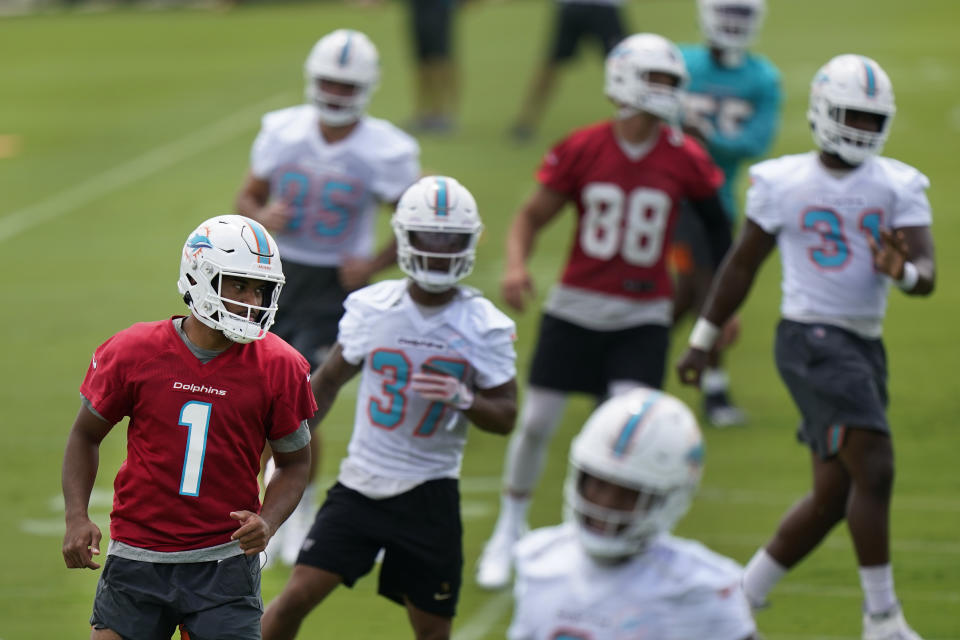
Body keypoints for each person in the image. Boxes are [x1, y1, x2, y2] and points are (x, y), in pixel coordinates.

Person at [676, 54, 934, 640]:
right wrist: (703, 341)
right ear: (822, 111)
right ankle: (883, 618)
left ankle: (743, 595)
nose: (862, 130)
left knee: (835, 492)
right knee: (876, 463)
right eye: (851, 116)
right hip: (810, 338)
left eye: (873, 120)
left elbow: (926, 273)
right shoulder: (782, 180)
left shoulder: (899, 184)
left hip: (862, 343)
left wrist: (902, 273)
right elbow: (741, 266)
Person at [475, 32, 733, 591]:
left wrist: (720, 306)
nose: (666, 91)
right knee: (537, 421)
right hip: (575, 306)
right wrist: (516, 265)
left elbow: (719, 233)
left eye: (671, 82)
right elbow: (529, 217)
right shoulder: (584, 146)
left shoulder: (686, 155)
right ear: (624, 79)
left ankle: (591, 538)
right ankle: (510, 526)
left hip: (643, 314)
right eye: (657, 79)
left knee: (624, 431)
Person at [260, 175, 518, 640]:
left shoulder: (485, 325)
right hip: (361, 485)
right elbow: (329, 381)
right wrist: (282, 443)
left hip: (429, 494)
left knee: (433, 629)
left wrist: (465, 399)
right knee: (293, 599)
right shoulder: (372, 307)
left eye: (450, 239)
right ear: (404, 237)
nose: (438, 249)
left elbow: (506, 416)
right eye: (428, 237)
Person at [61, 214, 317, 640]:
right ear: (201, 278)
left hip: (224, 562)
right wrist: (76, 516)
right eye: (239, 284)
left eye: (260, 288)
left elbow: (294, 464)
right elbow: (85, 435)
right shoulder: (134, 351)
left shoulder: (280, 365)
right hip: (138, 556)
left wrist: (268, 521)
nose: (253, 298)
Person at [235, 28, 421, 566]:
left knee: (301, 408)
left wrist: (375, 262)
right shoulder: (283, 131)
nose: (336, 93)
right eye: (329, 82)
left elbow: (411, 221)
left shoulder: (386, 148)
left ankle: (298, 507)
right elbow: (247, 195)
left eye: (347, 84)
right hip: (273, 275)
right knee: (253, 399)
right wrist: (259, 215)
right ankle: (258, 510)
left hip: (337, 289)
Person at [507, 387, 758, 640]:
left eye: (629, 494)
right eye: (598, 484)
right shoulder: (538, 560)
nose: (605, 505)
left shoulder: (700, 590)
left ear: (668, 499)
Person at [671, 0, 782, 427]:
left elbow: (755, 141)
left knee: (689, 294)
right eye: (727, 12)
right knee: (707, 288)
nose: (733, 23)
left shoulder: (762, 77)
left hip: (718, 200)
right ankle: (714, 390)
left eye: (743, 14)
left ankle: (627, 361)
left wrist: (708, 136)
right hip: (671, 197)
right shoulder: (680, 62)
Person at [507, 0, 627, 143]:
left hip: (591, 8)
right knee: (625, 67)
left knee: (626, 67)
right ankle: (525, 122)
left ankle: (525, 123)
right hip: (588, 8)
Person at [405, 0, 462, 134]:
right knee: (422, 62)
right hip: (418, 7)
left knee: (440, 61)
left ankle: (444, 113)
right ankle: (423, 113)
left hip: (439, 7)